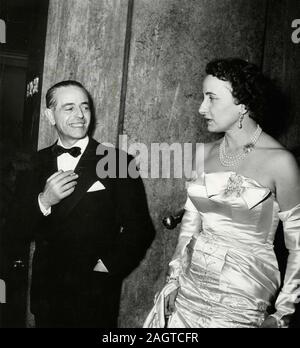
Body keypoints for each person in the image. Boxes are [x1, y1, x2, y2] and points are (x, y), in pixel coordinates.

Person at [144, 58, 300, 328]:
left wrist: (283, 312)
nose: (201, 107)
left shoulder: (280, 162)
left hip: (242, 296)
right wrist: (173, 279)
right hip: (190, 289)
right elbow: (191, 224)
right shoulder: (204, 154)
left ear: (242, 104)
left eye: (212, 98)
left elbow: (298, 245)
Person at [2, 80, 155, 328]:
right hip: (48, 296)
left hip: (95, 296)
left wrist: (106, 268)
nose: (80, 115)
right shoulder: (32, 163)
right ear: (50, 115)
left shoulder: (117, 160)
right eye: (69, 108)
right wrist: (44, 200)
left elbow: (140, 229)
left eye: (85, 107)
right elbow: (13, 232)